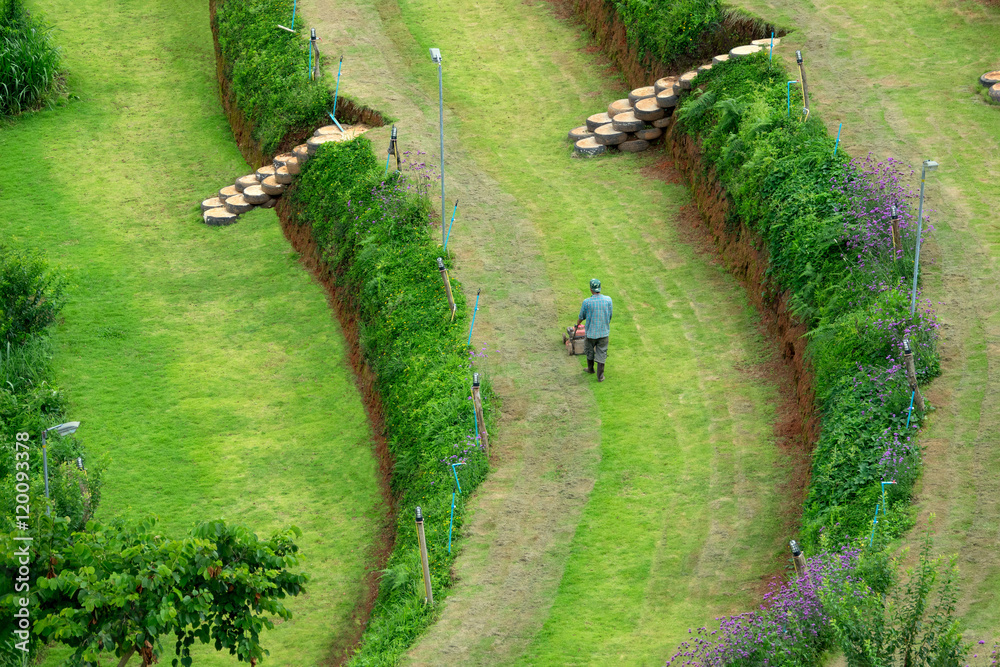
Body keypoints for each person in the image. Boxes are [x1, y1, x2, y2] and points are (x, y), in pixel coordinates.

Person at [575, 278, 613, 382]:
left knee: (589, 350)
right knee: (602, 352)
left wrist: (578, 323)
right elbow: (610, 316)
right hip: (604, 333)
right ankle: (600, 376)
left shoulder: (587, 302)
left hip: (591, 333)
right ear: (600, 288)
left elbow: (582, 316)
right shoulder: (608, 300)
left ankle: (591, 369)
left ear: (591, 289)